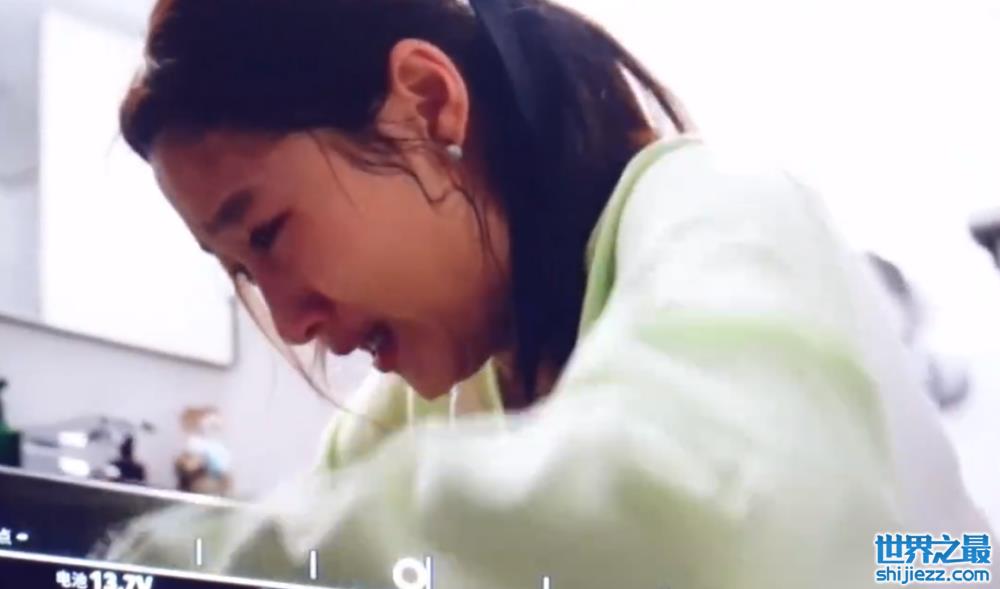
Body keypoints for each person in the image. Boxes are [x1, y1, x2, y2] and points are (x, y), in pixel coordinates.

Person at [104, 0, 993, 587]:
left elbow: (710, 513)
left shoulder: (717, 204)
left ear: (427, 102)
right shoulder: (414, 413)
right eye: (243, 272)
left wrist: (161, 560)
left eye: (267, 233)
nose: (292, 320)